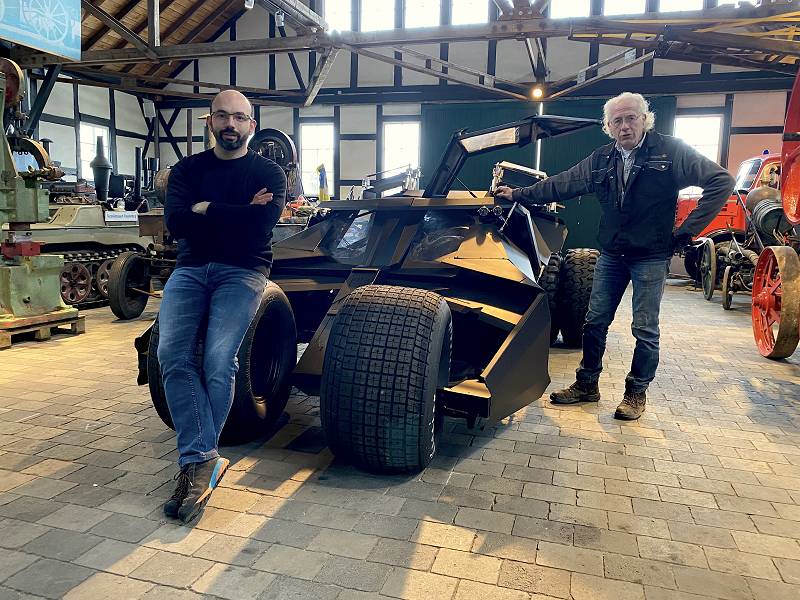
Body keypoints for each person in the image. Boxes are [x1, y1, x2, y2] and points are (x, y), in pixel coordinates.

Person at [495, 92, 734, 420]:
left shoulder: (670, 151)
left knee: (645, 328)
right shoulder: (601, 159)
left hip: (651, 256)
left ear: (644, 119)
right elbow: (561, 184)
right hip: (612, 254)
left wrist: (685, 232)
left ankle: (636, 394)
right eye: (617, 120)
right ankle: (587, 385)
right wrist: (519, 194)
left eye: (631, 118)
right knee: (594, 322)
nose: (625, 126)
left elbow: (721, 181)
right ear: (608, 126)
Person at [158, 90, 287, 522]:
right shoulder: (187, 170)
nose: (230, 124)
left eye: (239, 117)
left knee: (218, 361)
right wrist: (238, 212)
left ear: (251, 124)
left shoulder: (268, 171)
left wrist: (208, 208)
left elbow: (262, 225)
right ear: (209, 122)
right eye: (222, 116)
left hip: (244, 271)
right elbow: (176, 222)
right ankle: (203, 458)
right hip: (191, 268)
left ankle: (194, 462)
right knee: (171, 357)